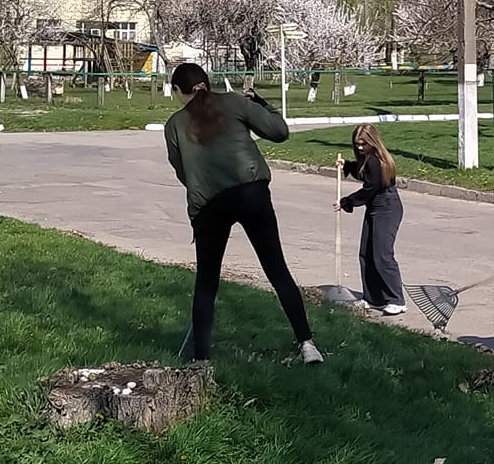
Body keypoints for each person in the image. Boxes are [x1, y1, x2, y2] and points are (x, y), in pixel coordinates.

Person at [164, 63, 322, 365]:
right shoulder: (235, 102)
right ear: (207, 84)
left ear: (177, 91)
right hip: (252, 193)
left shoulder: (174, 125)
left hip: (210, 205)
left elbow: (182, 171)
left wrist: (204, 189)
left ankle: (201, 362)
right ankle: (308, 345)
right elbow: (280, 132)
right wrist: (261, 101)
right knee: (277, 270)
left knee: (207, 282)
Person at [338, 123, 406, 315]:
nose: (360, 147)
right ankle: (373, 298)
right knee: (366, 254)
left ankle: (396, 300)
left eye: (363, 144)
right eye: (357, 144)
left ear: (372, 142)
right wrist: (348, 166)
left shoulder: (376, 161)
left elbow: (370, 188)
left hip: (387, 207)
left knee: (382, 255)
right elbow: (364, 173)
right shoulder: (367, 159)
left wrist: (347, 202)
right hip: (374, 207)